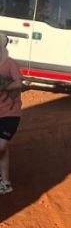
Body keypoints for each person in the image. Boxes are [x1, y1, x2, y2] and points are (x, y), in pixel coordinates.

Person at [0, 33, 24, 194]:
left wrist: (5, 86)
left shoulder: (10, 64)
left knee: (1, 146)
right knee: (2, 148)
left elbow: (19, 83)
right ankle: (5, 181)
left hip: (10, 112)